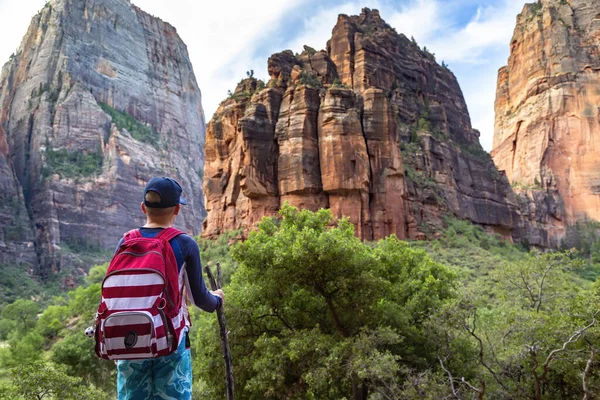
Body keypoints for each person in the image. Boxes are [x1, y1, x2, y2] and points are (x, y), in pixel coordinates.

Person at [115, 177, 224, 400]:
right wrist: (218, 299)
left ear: (143, 207)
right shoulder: (185, 244)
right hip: (170, 340)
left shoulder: (125, 241)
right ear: (177, 209)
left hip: (129, 340)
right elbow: (199, 299)